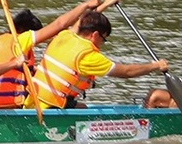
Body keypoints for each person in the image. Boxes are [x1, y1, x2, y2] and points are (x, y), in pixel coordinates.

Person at [27, 7, 166, 111]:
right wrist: (155, 66)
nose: (101, 43)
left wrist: (105, 4)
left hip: (31, 102)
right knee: (84, 111)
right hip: (49, 108)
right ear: (95, 35)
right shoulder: (87, 56)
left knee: (83, 107)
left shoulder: (64, 36)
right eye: (103, 39)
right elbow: (127, 72)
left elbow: (80, 22)